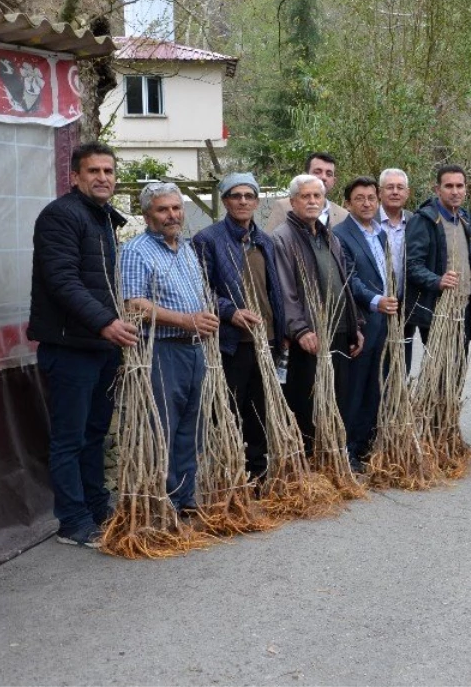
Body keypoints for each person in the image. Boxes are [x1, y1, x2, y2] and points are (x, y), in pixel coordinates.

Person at [29, 142, 139, 548]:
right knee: (69, 438)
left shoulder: (103, 220)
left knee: (95, 434)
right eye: (93, 171)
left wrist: (116, 323)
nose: (102, 178)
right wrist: (105, 323)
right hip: (70, 347)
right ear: (74, 177)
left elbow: (104, 284)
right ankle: (72, 522)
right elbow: (62, 281)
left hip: (100, 346)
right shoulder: (61, 216)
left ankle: (97, 507)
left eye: (108, 171)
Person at [121, 182, 221, 515]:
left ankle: (185, 498)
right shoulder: (137, 251)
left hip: (195, 349)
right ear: (147, 213)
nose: (172, 215)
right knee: (162, 427)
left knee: (192, 428)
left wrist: (204, 321)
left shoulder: (186, 248)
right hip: (162, 352)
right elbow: (134, 305)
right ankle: (162, 502)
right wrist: (184, 320)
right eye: (163, 209)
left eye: (176, 208)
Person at [192, 172, 287, 480]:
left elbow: (274, 291)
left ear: (257, 202)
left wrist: (281, 332)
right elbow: (200, 290)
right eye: (236, 195)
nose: (243, 201)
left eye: (249, 196)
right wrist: (229, 311)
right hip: (232, 342)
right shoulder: (207, 240)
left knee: (259, 411)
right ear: (225, 201)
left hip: (266, 340)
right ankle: (229, 474)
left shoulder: (265, 241)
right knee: (229, 409)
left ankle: (258, 476)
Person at [272, 174, 362, 455]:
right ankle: (309, 460)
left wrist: (355, 324)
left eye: (317, 196)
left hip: (337, 331)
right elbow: (285, 290)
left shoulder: (328, 236)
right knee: (307, 400)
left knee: (336, 397)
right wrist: (299, 329)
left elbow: (343, 283)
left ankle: (331, 456)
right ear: (292, 201)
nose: (312, 201)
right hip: (309, 336)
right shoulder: (282, 238)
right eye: (305, 196)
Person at [335, 176, 398, 467]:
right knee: (355, 388)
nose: (367, 203)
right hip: (360, 321)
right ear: (348, 203)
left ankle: (365, 445)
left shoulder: (381, 234)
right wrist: (376, 300)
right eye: (359, 198)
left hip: (385, 322)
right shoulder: (340, 235)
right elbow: (350, 279)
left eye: (371, 197)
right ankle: (347, 449)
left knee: (377, 385)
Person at [405, 164, 471, 344]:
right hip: (437, 310)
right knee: (439, 370)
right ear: (437, 189)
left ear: (466, 189)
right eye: (449, 186)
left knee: (459, 367)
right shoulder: (424, 220)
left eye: (459, 186)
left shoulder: (465, 219)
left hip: (464, 308)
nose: (455, 191)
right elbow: (412, 265)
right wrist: (438, 281)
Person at [376, 167, 415, 367]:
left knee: (401, 363)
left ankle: (399, 398)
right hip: (376, 305)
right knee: (376, 364)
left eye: (400, 187)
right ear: (380, 192)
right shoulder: (368, 219)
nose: (395, 192)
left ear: (407, 193)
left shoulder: (414, 221)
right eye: (389, 187)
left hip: (405, 305)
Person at [266, 152, 349, 232]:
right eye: (317, 172)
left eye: (329, 174)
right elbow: (268, 244)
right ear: (305, 175)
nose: (324, 177)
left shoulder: (343, 215)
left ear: (334, 181)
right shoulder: (284, 207)